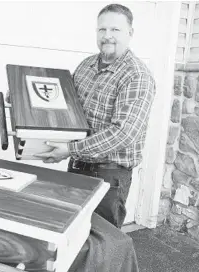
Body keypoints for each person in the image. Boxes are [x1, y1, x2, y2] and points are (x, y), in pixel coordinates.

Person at [35, 3, 156, 229]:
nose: (107, 36)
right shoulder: (86, 65)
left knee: (102, 243)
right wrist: (24, 95)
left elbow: (122, 133)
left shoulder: (137, 76)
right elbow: (62, 100)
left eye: (115, 30)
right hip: (77, 167)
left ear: (130, 33)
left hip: (109, 177)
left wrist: (70, 149)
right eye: (102, 30)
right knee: (71, 235)